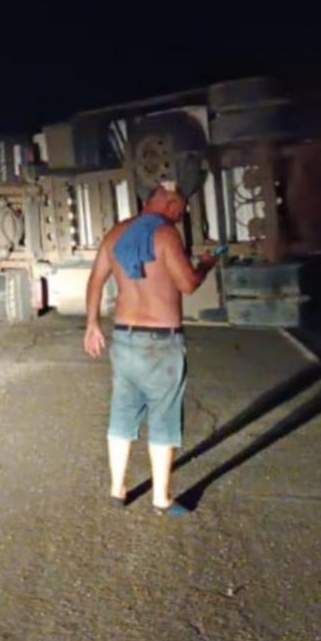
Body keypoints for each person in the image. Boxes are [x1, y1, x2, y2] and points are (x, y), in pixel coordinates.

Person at [82, 186, 219, 514]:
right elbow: (187, 284)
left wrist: (92, 324)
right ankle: (161, 497)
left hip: (125, 339)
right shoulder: (165, 234)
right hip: (160, 343)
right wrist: (206, 263)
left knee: (122, 413)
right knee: (164, 416)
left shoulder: (115, 234)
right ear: (170, 204)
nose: (179, 216)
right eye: (180, 210)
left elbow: (95, 280)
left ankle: (117, 490)